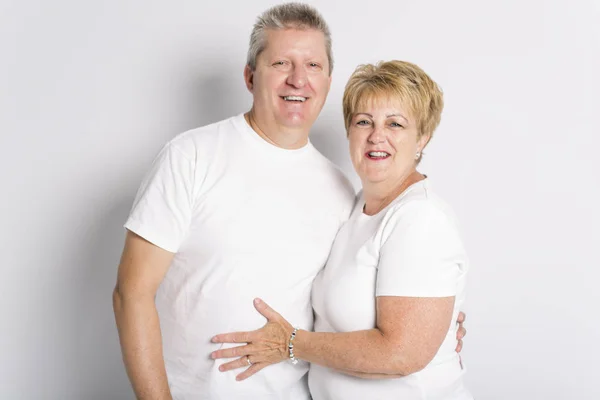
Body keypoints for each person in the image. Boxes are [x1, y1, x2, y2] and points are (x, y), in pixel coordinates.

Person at [112, 3, 466, 399]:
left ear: (327, 82)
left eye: (313, 66)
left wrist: (436, 325)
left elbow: (395, 331)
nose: (298, 79)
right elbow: (132, 293)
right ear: (250, 76)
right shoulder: (192, 156)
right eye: (281, 62)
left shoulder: (340, 190)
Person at [211, 60, 473, 400]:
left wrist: (291, 343)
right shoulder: (356, 207)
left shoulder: (419, 218)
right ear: (350, 132)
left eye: (395, 124)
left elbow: (400, 354)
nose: (377, 136)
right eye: (364, 121)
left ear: (422, 138)